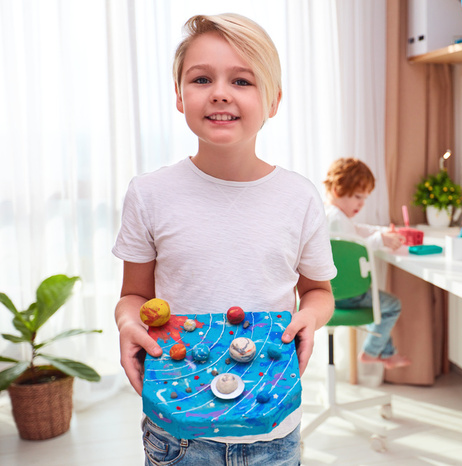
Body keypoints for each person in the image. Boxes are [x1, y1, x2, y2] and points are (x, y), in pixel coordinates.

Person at [112, 13, 336, 466]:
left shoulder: (299, 197)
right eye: (201, 78)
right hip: (177, 434)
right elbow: (134, 294)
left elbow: (318, 292)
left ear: (273, 100)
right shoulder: (149, 194)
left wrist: (310, 317)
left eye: (242, 80)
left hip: (273, 429)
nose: (220, 92)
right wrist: (127, 323)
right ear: (179, 96)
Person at [323, 158, 411, 370]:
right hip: (345, 294)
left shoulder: (331, 214)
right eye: (357, 197)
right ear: (337, 190)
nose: (362, 203)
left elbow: (356, 232)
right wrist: (380, 240)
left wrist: (379, 232)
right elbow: (353, 249)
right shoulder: (337, 219)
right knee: (390, 306)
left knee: (381, 306)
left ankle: (387, 353)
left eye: (365, 198)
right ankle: (372, 352)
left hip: (332, 291)